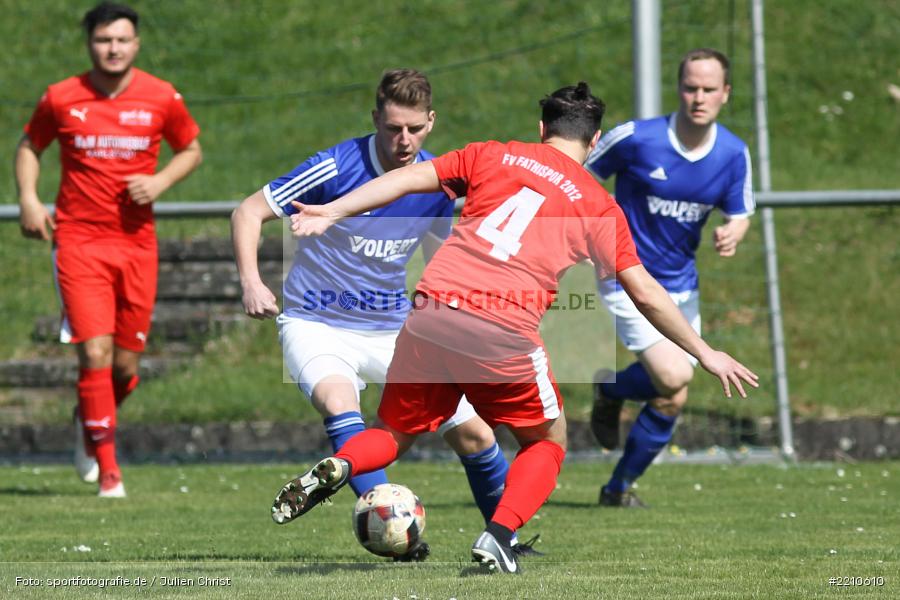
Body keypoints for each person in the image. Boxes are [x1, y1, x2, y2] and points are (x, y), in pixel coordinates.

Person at [269, 82, 758, 574]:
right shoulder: (597, 203)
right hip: (501, 328)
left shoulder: (491, 154)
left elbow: (408, 179)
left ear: (542, 129)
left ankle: (345, 464)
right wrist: (705, 352)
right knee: (547, 442)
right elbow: (646, 291)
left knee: (394, 433)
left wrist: (333, 209)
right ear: (594, 141)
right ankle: (499, 537)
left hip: (432, 310)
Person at [230, 69, 535, 561]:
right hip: (317, 323)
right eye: (393, 128)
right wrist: (251, 282)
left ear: (431, 121)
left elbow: (441, 258)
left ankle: (506, 542)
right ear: (375, 119)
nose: (404, 140)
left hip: (394, 329)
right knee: (339, 402)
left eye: (414, 128)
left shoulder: (436, 181)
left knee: (476, 433)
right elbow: (247, 211)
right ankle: (394, 533)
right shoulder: (335, 167)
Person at [15, 2, 202, 498]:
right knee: (94, 351)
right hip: (78, 241)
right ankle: (109, 472)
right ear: (89, 44)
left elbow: (191, 149)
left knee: (124, 368)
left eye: (121, 39)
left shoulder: (161, 96)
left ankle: (88, 417)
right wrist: (29, 198)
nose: (112, 48)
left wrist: (159, 181)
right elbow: (30, 146)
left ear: (135, 44)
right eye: (103, 40)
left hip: (136, 245)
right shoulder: (61, 96)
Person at [584, 48, 755, 508]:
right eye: (690, 87)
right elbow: (577, 176)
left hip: (682, 284)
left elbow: (740, 212)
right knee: (675, 374)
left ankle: (617, 488)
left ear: (725, 93)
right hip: (625, 277)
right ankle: (611, 391)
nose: (699, 97)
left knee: (672, 396)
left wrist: (734, 232)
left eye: (709, 89)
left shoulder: (733, 153)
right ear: (679, 88)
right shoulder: (637, 138)